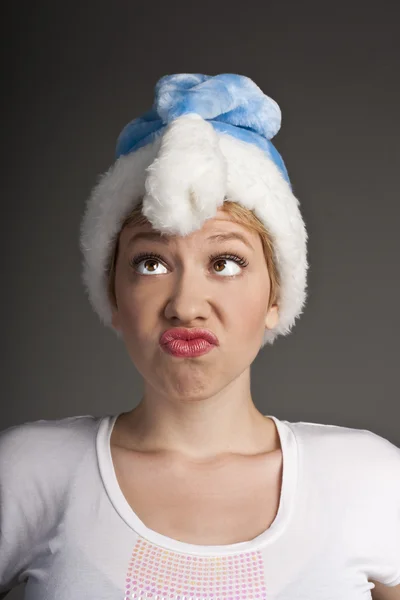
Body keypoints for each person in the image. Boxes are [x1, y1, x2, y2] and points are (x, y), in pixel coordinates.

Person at [0, 73, 399, 600]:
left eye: (226, 261)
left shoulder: (369, 480)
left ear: (275, 297)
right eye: (151, 262)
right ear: (114, 297)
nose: (185, 305)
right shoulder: (27, 474)